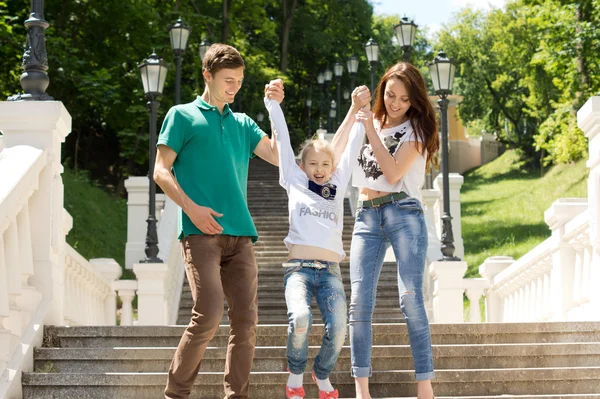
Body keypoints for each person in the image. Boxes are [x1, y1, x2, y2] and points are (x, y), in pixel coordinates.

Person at [153, 43, 284, 399]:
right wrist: (191, 208)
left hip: (240, 236)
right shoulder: (182, 116)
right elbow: (161, 171)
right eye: (228, 80)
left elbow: (276, 156)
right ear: (207, 75)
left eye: (240, 81)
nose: (235, 87)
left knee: (246, 323)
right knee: (208, 313)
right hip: (200, 234)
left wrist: (274, 109)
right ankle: (175, 394)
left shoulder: (242, 123)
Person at [331, 62, 440, 399]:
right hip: (366, 215)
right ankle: (362, 390)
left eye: (403, 99)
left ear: (413, 102)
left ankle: (425, 385)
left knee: (410, 298)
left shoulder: (416, 131)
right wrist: (354, 111)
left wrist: (372, 131)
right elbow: (333, 155)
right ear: (382, 91)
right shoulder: (369, 119)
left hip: (404, 210)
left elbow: (393, 174)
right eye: (390, 95)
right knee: (359, 303)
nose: (394, 103)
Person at [263, 90, 365, 399]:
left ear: (332, 167)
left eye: (325, 164)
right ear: (302, 165)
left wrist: (361, 114)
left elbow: (351, 147)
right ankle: (295, 373)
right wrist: (273, 105)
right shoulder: (294, 180)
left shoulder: (336, 183)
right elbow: (281, 138)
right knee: (302, 319)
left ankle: (321, 374)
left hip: (331, 272)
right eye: (313, 163)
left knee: (338, 329)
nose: (319, 169)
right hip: (298, 271)